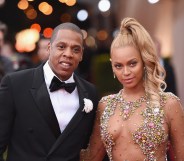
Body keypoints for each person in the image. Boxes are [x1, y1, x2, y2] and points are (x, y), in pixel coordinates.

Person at [80, 17, 184, 161]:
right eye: (118, 66)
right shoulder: (105, 105)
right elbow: (91, 157)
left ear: (144, 61)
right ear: (112, 66)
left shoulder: (169, 104)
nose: (126, 72)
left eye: (132, 63)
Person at [0, 22, 99, 161]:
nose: (68, 54)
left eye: (75, 50)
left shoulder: (90, 93)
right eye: (61, 47)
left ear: (81, 54)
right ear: (49, 48)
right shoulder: (15, 84)